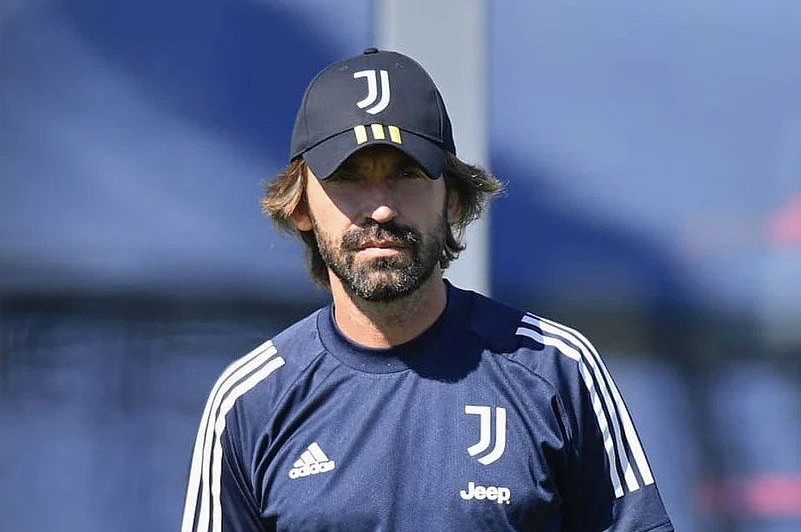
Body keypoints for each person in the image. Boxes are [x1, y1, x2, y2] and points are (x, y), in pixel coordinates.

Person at [180, 47, 674, 532]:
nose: (381, 208)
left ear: (453, 200)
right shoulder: (250, 402)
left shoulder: (555, 369)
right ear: (301, 206)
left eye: (406, 174)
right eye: (348, 177)